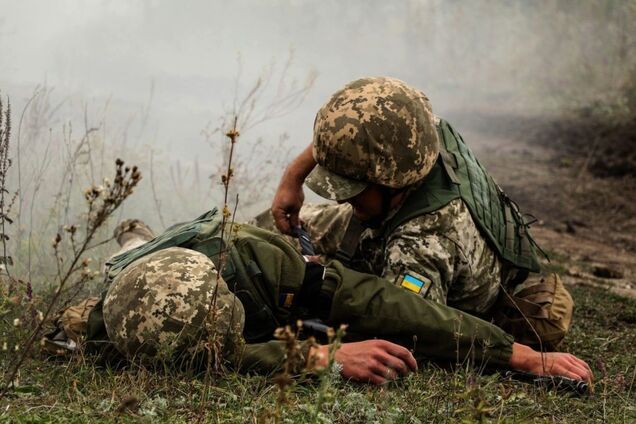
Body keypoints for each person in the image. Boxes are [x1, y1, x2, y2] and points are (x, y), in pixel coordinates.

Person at [80, 210, 592, 385]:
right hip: (140, 275)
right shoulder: (105, 327)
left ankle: (137, 231)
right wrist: (319, 357)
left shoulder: (262, 264)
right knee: (135, 249)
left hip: (240, 252)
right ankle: (135, 235)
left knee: (145, 239)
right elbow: (228, 355)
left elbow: (384, 303)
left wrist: (517, 354)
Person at [266, 76, 572, 351]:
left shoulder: (424, 242)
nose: (347, 200)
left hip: (433, 273)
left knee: (288, 274)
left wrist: (324, 288)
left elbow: (406, 328)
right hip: (391, 213)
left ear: (390, 178)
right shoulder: (414, 130)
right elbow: (351, 133)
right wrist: (293, 178)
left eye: (355, 189)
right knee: (269, 232)